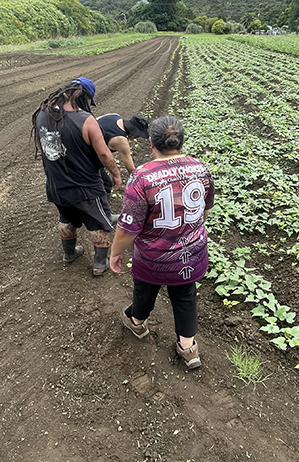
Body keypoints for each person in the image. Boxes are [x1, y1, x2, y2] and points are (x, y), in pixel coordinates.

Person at [109, 115, 215, 369]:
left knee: (145, 290)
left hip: (153, 257)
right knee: (186, 295)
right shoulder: (200, 169)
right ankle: (189, 348)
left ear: (151, 143)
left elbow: (128, 227)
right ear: (181, 141)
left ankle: (136, 322)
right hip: (190, 254)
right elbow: (205, 209)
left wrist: (115, 252)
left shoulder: (142, 177)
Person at [32, 77, 122, 276]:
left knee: (66, 218)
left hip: (56, 184)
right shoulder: (85, 120)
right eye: (90, 102)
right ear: (84, 97)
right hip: (85, 186)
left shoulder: (41, 114)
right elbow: (105, 154)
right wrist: (115, 175)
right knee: (98, 223)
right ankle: (100, 264)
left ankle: (69, 254)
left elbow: (41, 147)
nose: (89, 107)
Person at [96, 113, 150, 197]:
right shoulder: (121, 140)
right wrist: (141, 185)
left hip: (79, 144)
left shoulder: (115, 116)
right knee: (105, 185)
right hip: (85, 157)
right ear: (134, 133)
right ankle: (103, 208)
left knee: (104, 182)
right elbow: (131, 169)